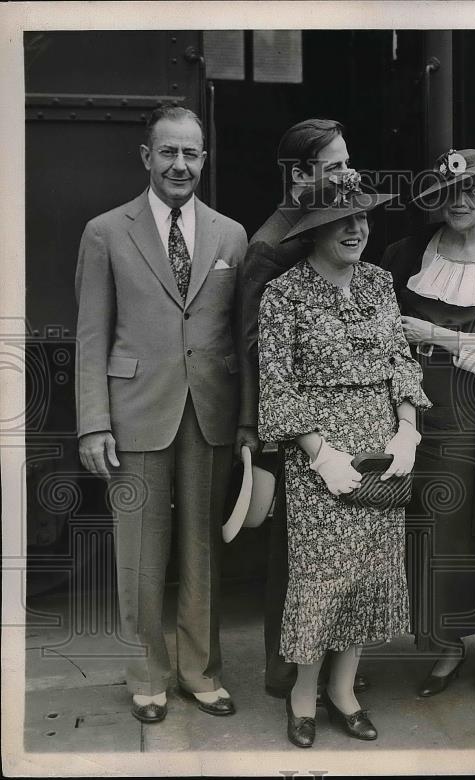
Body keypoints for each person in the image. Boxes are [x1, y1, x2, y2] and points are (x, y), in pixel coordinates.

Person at [75, 106, 252, 723]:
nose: (181, 165)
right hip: (134, 413)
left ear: (204, 159)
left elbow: (239, 335)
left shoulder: (231, 235)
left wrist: (248, 421)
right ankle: (147, 674)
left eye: (192, 154)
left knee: (203, 550)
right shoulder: (105, 231)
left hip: (210, 412)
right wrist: (93, 421)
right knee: (140, 554)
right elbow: (91, 335)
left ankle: (201, 673)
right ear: (146, 157)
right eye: (169, 152)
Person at [258, 174, 429, 747]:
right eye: (342, 220)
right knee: (321, 577)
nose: (357, 229)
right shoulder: (283, 295)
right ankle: (304, 695)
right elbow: (276, 388)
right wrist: (320, 453)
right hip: (320, 459)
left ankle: (345, 689)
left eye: (362, 218)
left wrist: (407, 429)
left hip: (383, 454)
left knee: (370, 574)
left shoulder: (380, 284)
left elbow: (402, 363)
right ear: (313, 231)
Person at [381, 148, 475, 705]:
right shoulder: (404, 255)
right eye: (448, 191)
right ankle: (448, 641)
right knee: (423, 528)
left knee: (460, 521)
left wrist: (438, 336)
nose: (460, 200)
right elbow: (383, 333)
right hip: (413, 410)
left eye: (471, 190)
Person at [236, 117, 368, 698]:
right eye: (334, 165)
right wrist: (261, 435)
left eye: (346, 160)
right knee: (293, 553)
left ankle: (323, 668)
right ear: (298, 174)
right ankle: (284, 670)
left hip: (337, 418)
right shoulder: (272, 245)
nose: (347, 173)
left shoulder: (327, 218)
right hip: (290, 423)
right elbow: (250, 347)